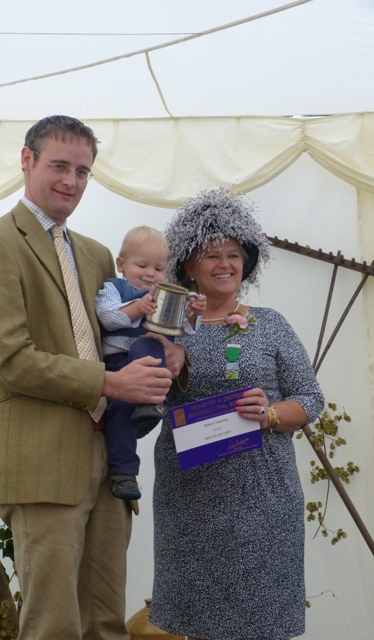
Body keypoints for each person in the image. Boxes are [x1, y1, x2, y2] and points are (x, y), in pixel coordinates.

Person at [0, 115, 184, 640]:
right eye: (59, 166)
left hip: (110, 465)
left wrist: (171, 355)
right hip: (42, 465)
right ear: (26, 160)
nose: (71, 181)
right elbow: (10, 361)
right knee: (53, 626)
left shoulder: (95, 253)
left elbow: (115, 338)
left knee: (106, 624)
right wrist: (112, 385)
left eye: (82, 171)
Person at [149, 187, 325, 640]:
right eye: (211, 255)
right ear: (188, 265)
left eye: (233, 254)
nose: (224, 264)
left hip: (261, 502)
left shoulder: (270, 324)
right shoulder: (165, 329)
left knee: (260, 622)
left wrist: (268, 413)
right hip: (189, 501)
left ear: (247, 260)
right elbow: (147, 403)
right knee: (198, 622)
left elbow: (310, 398)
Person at [95, 225, 206, 500]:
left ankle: (150, 401)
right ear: (121, 264)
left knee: (153, 342)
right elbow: (107, 316)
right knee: (118, 411)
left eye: (158, 269)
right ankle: (124, 474)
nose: (150, 273)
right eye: (142, 265)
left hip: (146, 359)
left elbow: (180, 329)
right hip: (119, 364)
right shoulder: (114, 287)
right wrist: (137, 308)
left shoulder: (163, 294)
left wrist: (192, 313)